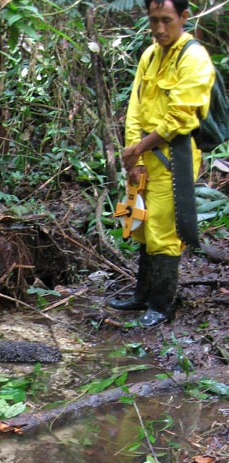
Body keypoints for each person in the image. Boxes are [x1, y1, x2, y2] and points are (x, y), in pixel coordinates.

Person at [109, 0, 215, 327]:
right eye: (153, 20)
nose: (158, 29)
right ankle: (141, 295)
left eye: (166, 20)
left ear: (184, 17)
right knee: (140, 225)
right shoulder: (149, 55)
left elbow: (180, 118)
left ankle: (161, 305)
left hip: (174, 158)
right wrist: (133, 157)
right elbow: (135, 107)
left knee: (163, 231)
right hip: (144, 155)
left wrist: (138, 148)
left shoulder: (194, 58)